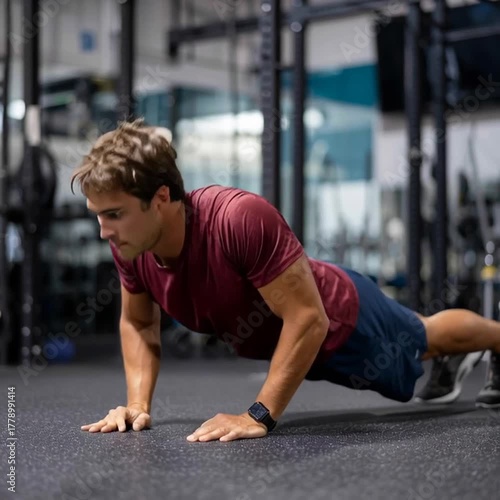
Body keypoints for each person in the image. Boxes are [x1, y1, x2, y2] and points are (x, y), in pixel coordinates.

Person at [75, 120, 500, 442]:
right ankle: (454, 358)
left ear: (162, 197)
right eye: (98, 215)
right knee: (423, 344)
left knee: (426, 336)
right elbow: (138, 323)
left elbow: (308, 319)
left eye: (114, 214)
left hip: (340, 318)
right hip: (296, 345)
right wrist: (136, 405)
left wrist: (258, 415)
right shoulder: (132, 243)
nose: (103, 231)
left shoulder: (237, 218)